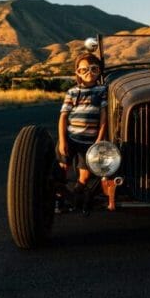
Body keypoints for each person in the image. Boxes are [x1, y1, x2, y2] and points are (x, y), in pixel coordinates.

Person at [58, 52, 108, 213]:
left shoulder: (102, 90)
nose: (89, 73)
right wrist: (63, 140)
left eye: (94, 69)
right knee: (62, 169)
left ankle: (76, 196)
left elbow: (103, 116)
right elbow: (63, 117)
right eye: (84, 70)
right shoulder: (72, 92)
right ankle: (61, 198)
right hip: (71, 137)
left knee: (85, 177)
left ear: (99, 71)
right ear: (78, 72)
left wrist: (99, 139)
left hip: (89, 141)